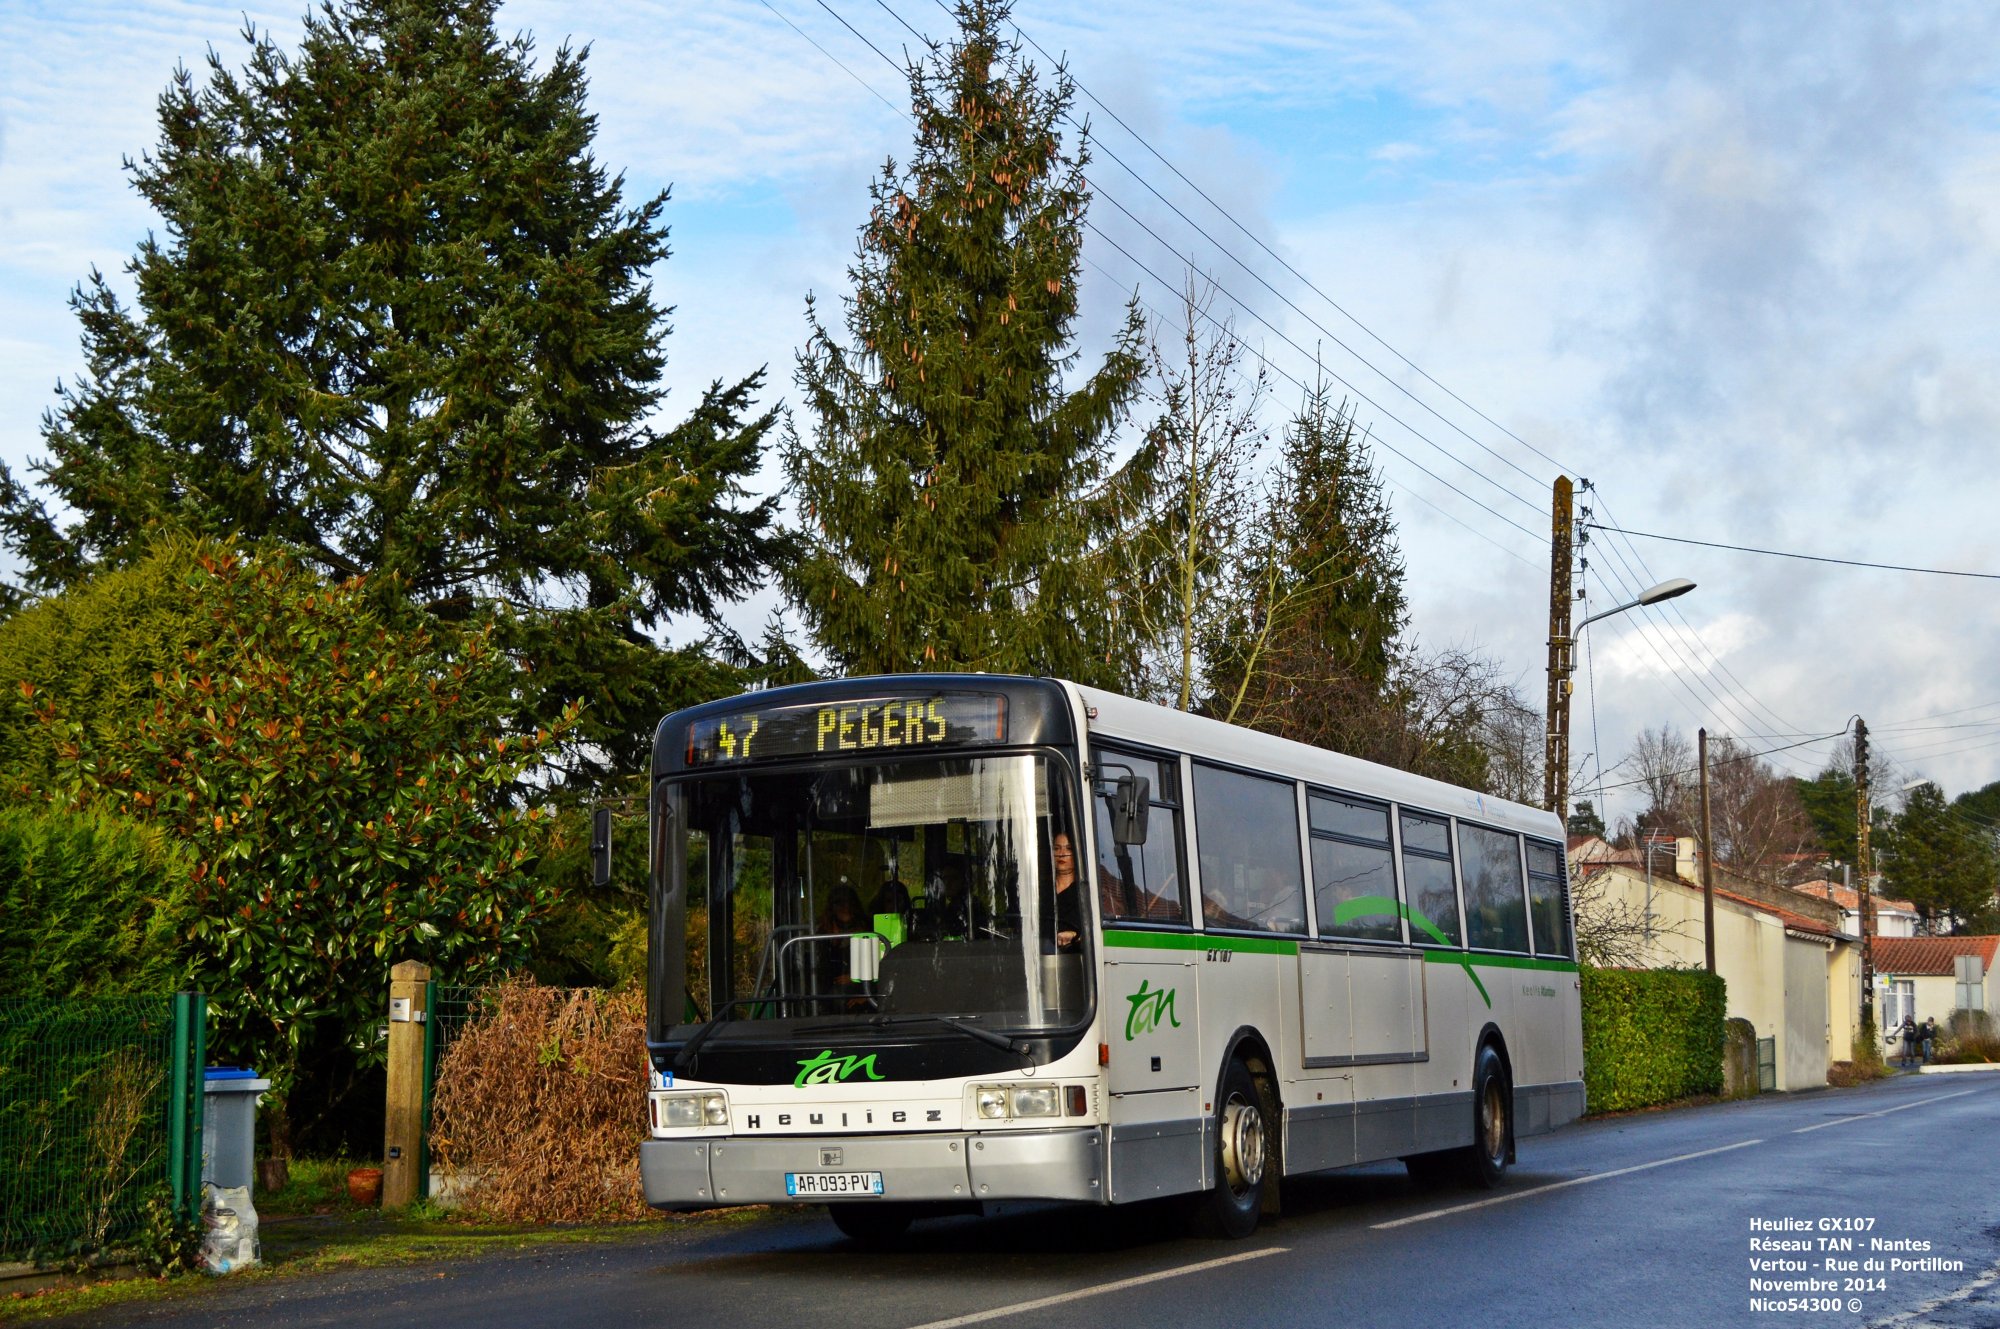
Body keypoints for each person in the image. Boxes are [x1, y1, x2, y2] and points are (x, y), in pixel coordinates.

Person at [1049, 831, 1084, 950]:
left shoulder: (1085, 891)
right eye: (1057, 848)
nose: (1061, 854)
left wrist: (1075, 936)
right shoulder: (1040, 889)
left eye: (1068, 849)